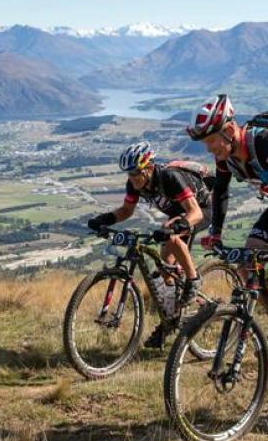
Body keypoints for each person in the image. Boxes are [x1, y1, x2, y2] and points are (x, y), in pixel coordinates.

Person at [88, 141, 212, 348]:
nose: (132, 178)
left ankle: (193, 279)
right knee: (165, 269)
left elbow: (195, 212)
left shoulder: (169, 177)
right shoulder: (134, 184)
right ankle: (172, 321)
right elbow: (126, 211)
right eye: (128, 174)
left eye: (136, 172)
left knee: (171, 233)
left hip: (202, 209)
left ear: (149, 167)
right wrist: (104, 219)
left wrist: (177, 225)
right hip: (179, 214)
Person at [187, 93, 268, 255]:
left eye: (211, 141)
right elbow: (221, 191)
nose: (208, 149)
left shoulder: (263, 142)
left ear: (230, 130)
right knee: (249, 258)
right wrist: (215, 233)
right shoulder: (225, 158)